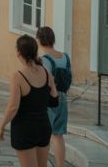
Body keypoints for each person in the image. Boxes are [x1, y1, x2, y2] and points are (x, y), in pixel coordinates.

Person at [0, 35, 58, 167]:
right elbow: (54, 100)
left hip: (25, 129)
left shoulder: (17, 76)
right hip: (43, 127)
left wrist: (2, 125)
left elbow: (13, 107)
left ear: (19, 52)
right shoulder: (46, 72)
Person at [37, 27, 70, 167]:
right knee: (58, 135)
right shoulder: (65, 57)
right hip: (63, 98)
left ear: (39, 40)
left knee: (43, 136)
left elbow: (42, 82)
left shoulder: (44, 59)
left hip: (49, 100)